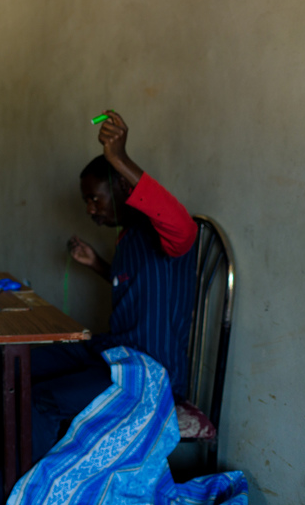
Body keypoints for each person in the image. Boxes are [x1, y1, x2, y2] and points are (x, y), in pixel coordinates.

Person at [30, 110, 198, 462]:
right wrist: (97, 265)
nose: (90, 210)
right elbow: (138, 288)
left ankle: (21, 503)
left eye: (95, 198)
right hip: (115, 354)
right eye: (85, 202)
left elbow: (183, 227)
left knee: (40, 400)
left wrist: (120, 159)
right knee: (17, 363)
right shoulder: (127, 240)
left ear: (123, 186)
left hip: (149, 374)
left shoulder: (166, 236)